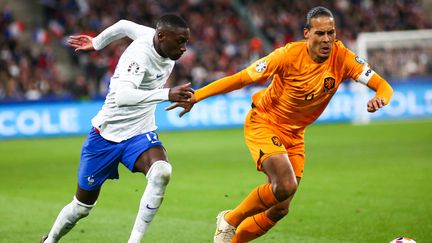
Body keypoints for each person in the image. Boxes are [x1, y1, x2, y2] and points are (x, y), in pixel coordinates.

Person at [167, 6, 393, 243]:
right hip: (264, 122)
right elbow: (243, 78)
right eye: (320, 33)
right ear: (307, 33)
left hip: (295, 135)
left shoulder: (344, 58)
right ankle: (230, 220)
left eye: (331, 33)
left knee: (280, 208)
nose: (327, 39)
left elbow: (383, 86)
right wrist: (198, 95)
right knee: (285, 184)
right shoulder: (286, 55)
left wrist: (381, 99)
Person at [41, 14, 193, 243]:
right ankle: (50, 240)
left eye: (185, 42)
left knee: (162, 172)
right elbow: (123, 97)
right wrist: (167, 94)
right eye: (180, 41)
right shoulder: (139, 55)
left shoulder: (155, 38)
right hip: (106, 136)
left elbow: (123, 25)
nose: (184, 48)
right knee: (81, 207)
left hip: (140, 132)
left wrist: (97, 43)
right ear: (161, 37)